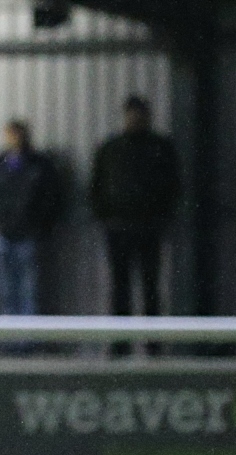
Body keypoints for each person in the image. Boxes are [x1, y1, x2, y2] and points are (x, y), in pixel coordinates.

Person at [90, 95, 180, 356]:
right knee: (120, 289)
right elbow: (96, 187)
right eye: (132, 114)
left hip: (149, 229)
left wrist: (160, 217)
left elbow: (173, 187)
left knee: (151, 288)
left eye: (140, 115)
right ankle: (120, 345)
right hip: (118, 229)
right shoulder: (111, 148)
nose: (136, 119)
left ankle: (153, 346)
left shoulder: (160, 148)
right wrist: (106, 217)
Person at [0, 120, 61, 317]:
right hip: (3, 234)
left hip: (29, 235)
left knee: (29, 290)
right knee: (5, 291)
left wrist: (39, 227)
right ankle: (9, 339)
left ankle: (27, 339)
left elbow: (51, 199)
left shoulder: (40, 164)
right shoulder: (0, 162)